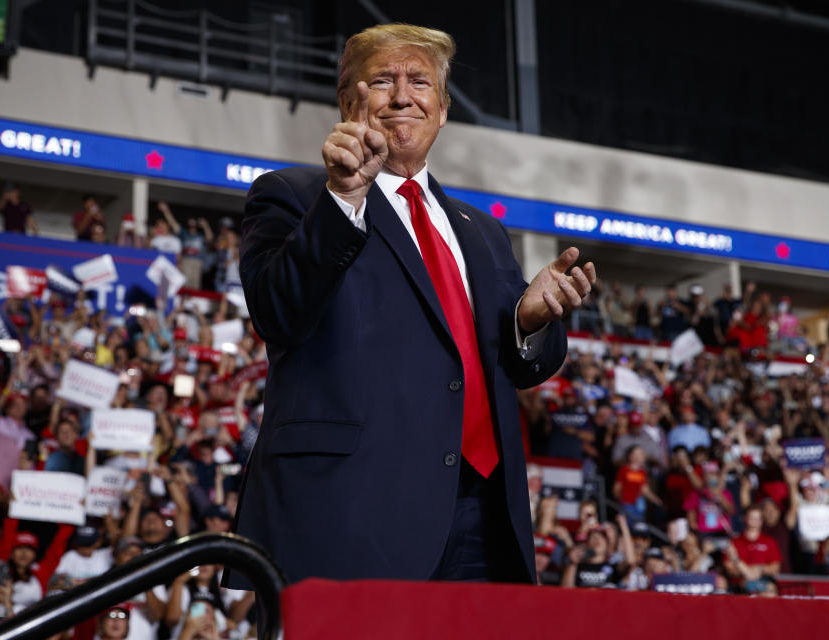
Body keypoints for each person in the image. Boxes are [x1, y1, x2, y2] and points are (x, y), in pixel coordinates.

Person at [232, 23, 596, 585]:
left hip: (482, 516)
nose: (403, 95)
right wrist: (344, 199)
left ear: (444, 109)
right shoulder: (293, 195)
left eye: (420, 82)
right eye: (383, 80)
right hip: (349, 513)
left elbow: (524, 368)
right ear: (349, 100)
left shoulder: (483, 232)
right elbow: (279, 313)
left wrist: (527, 322)